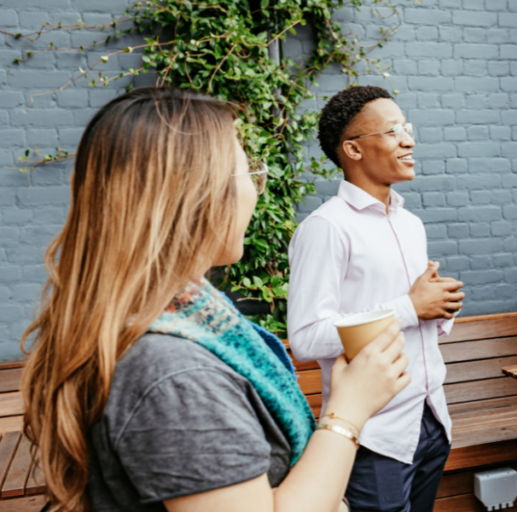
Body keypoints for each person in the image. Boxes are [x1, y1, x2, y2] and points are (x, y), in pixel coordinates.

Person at [20, 87, 410, 512]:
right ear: (195, 195)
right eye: (249, 173)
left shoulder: (178, 326)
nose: (256, 192)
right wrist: (348, 411)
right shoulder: (173, 373)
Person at [288, 85, 464, 512]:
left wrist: (438, 307)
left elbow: (413, 313)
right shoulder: (326, 228)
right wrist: (408, 307)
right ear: (353, 149)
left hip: (431, 419)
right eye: (392, 131)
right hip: (375, 433)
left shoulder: (410, 224)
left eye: (406, 127)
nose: (409, 140)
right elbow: (308, 338)